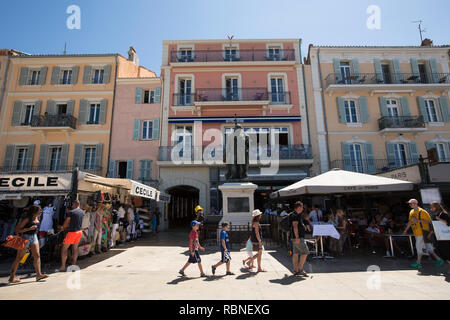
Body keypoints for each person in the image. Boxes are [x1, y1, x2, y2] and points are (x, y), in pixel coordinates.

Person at [8, 205, 49, 283]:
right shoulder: (27, 219)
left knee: (37, 255)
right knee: (19, 258)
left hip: (34, 237)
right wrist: (29, 229)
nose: (41, 211)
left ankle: (38, 274)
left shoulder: (36, 218)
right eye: (39, 210)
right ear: (34, 212)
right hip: (25, 238)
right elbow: (17, 230)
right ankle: (12, 277)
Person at [403, 199, 444, 270]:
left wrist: (418, 220)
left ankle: (418, 263)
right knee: (428, 248)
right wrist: (406, 230)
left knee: (419, 247)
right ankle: (439, 260)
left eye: (411, 203)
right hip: (417, 232)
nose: (410, 205)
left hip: (422, 232)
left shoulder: (422, 212)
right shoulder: (411, 212)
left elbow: (429, 221)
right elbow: (410, 221)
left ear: (415, 203)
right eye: (409, 204)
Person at [56, 200, 85, 272]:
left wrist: (63, 227)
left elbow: (67, 221)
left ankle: (63, 266)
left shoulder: (71, 212)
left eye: (72, 205)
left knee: (64, 249)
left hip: (72, 232)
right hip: (79, 231)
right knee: (75, 248)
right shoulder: (82, 212)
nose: (72, 206)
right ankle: (73, 265)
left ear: (74, 204)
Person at [290, 201, 310, 277]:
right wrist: (297, 237)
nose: (302, 208)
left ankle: (295, 270)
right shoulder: (295, 215)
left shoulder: (295, 214)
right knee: (305, 252)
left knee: (296, 253)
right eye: (302, 207)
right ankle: (300, 269)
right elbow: (295, 226)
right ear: (299, 207)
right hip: (298, 237)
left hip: (294, 237)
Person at [429, 201, 450, 274]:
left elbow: (448, 223)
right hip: (439, 237)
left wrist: (439, 219)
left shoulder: (443, 214)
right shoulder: (436, 214)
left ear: (436, 207)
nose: (431, 209)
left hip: (445, 237)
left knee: (446, 252)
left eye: (432, 207)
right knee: (441, 252)